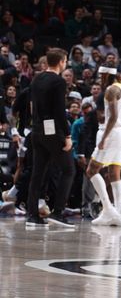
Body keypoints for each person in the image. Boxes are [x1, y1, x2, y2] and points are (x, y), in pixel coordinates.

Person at [27, 48, 76, 227]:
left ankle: (32, 215)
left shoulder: (36, 78)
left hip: (37, 130)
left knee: (37, 173)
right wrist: (67, 135)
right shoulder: (59, 82)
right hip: (53, 131)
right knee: (69, 170)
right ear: (62, 61)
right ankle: (58, 212)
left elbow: (32, 106)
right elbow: (59, 112)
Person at [86, 68, 121, 227]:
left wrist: (105, 138)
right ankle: (119, 215)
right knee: (114, 173)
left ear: (107, 75)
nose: (100, 79)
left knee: (91, 170)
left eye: (101, 76)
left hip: (112, 133)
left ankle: (108, 209)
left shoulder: (111, 89)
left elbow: (113, 117)